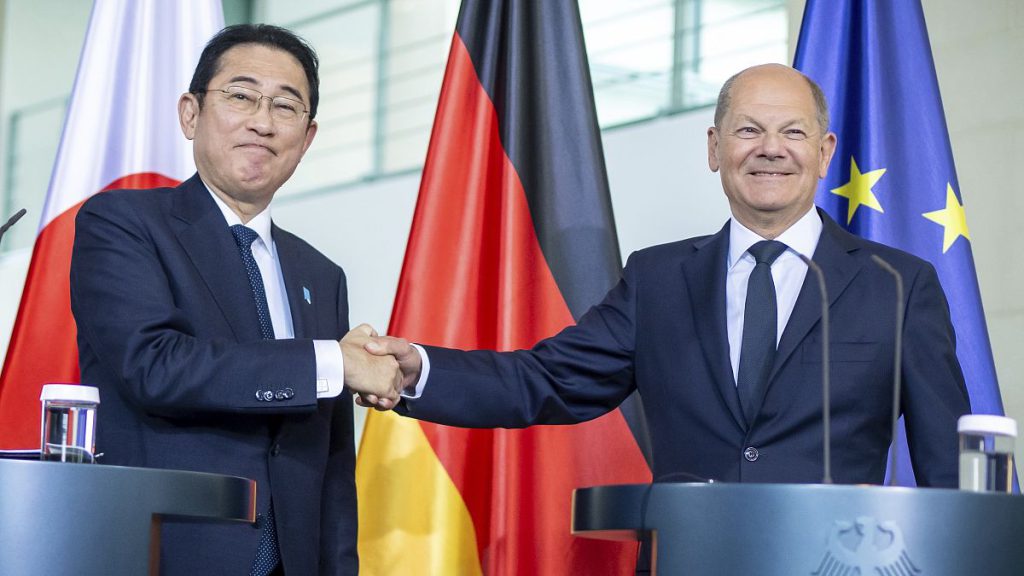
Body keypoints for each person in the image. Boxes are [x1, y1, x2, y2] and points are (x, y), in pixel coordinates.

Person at [362, 63, 971, 487]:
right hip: (688, 554)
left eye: (793, 132)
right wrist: (421, 367)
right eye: (748, 130)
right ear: (714, 148)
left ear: (825, 153)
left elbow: (947, 462)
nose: (770, 148)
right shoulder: (656, 279)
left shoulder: (899, 284)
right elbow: (546, 380)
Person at [70, 24, 398, 575]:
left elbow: (332, 460)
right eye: (241, 96)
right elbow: (154, 366)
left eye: (285, 106)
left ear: (308, 137)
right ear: (190, 114)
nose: (262, 122)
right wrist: (332, 361)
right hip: (163, 553)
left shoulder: (322, 273)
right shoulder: (122, 224)